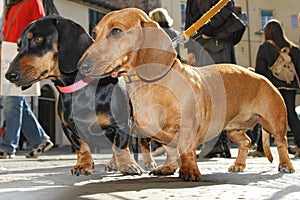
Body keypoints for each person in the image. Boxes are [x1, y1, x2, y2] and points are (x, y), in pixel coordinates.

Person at [185, 0, 242, 158]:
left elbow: (227, 8)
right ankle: (218, 144)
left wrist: (208, 30)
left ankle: (218, 144)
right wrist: (191, 49)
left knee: (219, 95)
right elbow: (190, 20)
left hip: (218, 44)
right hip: (204, 45)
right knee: (208, 97)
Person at [0, 0, 53, 159]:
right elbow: (6, 34)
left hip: (23, 55)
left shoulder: (33, 1)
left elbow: (42, 30)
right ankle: (40, 141)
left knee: (13, 100)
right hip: (8, 55)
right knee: (17, 102)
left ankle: (7, 146)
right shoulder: (11, 5)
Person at [253, 19, 300, 158]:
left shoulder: (265, 48)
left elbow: (260, 71)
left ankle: (262, 148)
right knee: (291, 115)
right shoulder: (293, 49)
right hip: (290, 87)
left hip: (273, 88)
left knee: (267, 116)